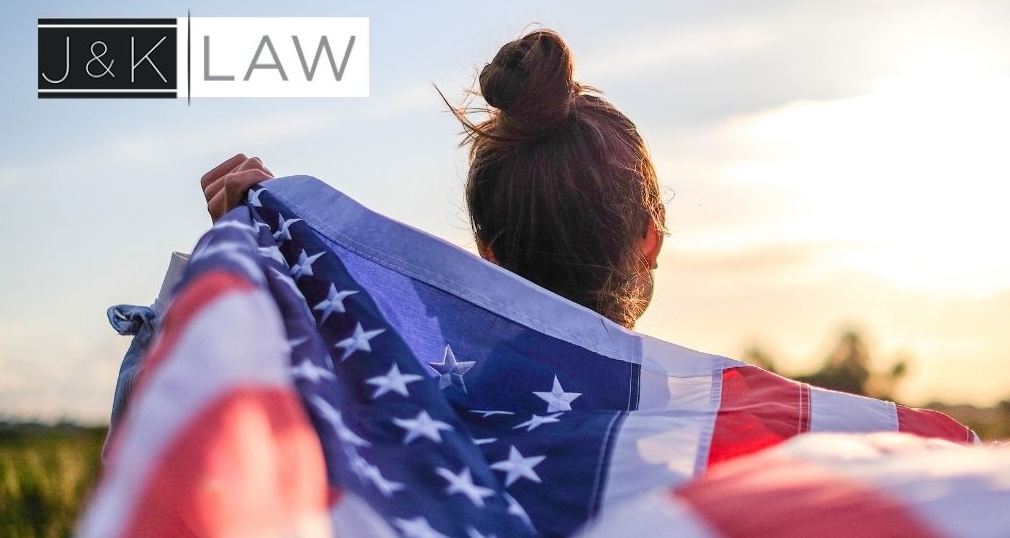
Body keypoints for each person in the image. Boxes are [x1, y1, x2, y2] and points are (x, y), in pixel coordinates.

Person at [201, 29, 666, 329]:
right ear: (651, 236)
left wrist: (253, 272)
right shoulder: (705, 435)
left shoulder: (420, 418)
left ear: (490, 256)